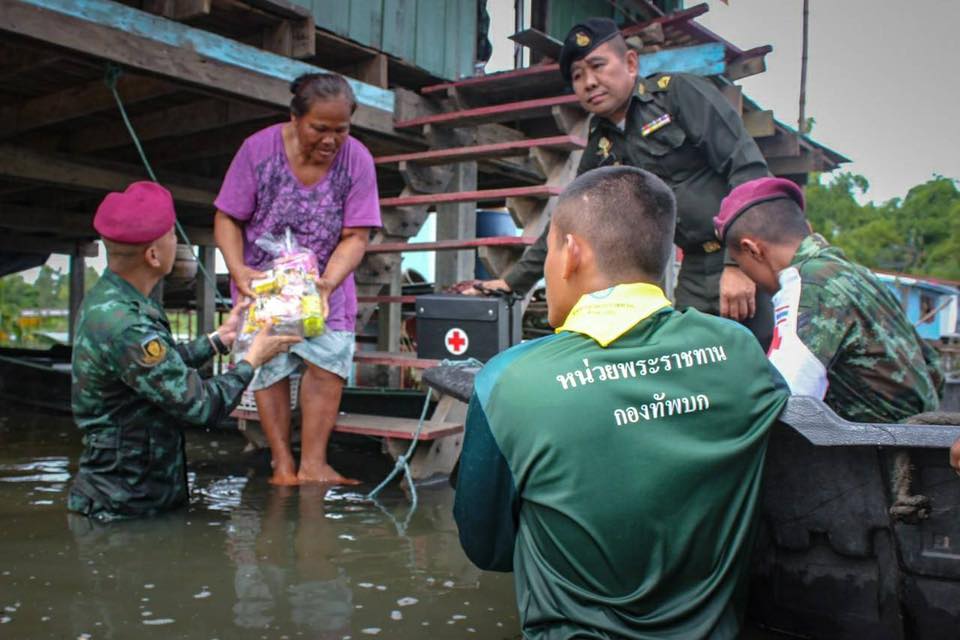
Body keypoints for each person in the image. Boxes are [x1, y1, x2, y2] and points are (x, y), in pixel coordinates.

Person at [453, 167, 789, 639]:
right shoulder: (738, 353)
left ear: (570, 254)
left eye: (548, 249)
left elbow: (487, 548)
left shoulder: (510, 382)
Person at [466, 17, 773, 344]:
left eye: (598, 66)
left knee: (760, 365)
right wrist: (513, 282)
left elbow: (749, 171)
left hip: (747, 255)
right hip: (696, 266)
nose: (589, 82)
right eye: (578, 76)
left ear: (630, 63)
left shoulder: (679, 95)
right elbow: (571, 221)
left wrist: (738, 263)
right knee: (688, 365)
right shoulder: (602, 144)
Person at [69, 182, 300, 522]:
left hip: (131, 488)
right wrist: (253, 360)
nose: (177, 242)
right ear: (153, 254)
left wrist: (219, 339)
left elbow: (157, 365)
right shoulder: (127, 324)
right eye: (172, 237)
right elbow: (201, 406)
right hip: (125, 504)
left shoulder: (115, 299)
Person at [214, 72, 382, 485]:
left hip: (327, 283)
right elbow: (227, 218)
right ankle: (282, 465)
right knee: (268, 365)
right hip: (264, 281)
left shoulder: (356, 159)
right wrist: (238, 271)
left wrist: (325, 283)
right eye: (319, 129)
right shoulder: (258, 151)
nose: (330, 140)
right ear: (295, 118)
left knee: (326, 365)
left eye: (340, 130)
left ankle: (313, 464)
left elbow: (356, 235)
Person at [714, 176, 944, 423]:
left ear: (752, 249)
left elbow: (785, 396)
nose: (750, 279)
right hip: (917, 440)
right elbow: (933, 370)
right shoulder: (857, 274)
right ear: (808, 230)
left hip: (877, 452)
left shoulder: (805, 282)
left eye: (741, 264)